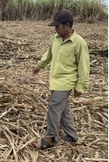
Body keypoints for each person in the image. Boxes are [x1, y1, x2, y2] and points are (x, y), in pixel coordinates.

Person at [32, 10, 90, 149]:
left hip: (66, 82)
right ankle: (71, 136)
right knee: (63, 110)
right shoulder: (55, 39)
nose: (55, 28)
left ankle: (51, 137)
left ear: (67, 25)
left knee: (54, 106)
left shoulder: (79, 43)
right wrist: (39, 66)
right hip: (54, 80)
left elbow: (84, 66)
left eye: (58, 25)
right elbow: (49, 55)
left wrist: (81, 86)